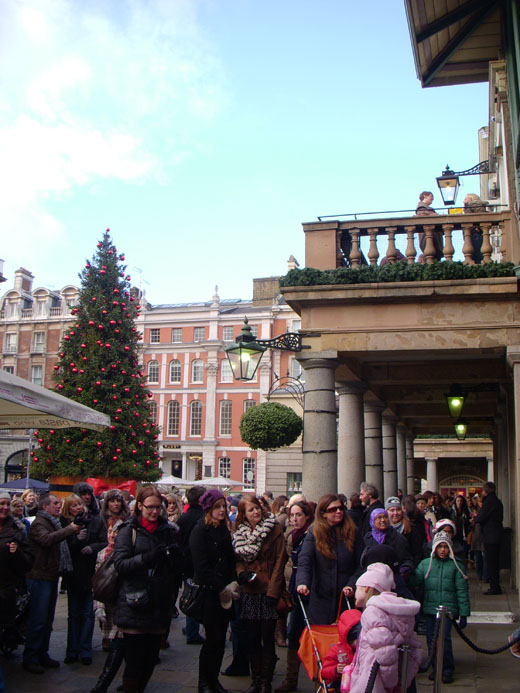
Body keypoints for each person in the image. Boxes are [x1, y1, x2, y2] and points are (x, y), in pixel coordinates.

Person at [112, 485, 182, 692]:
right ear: (140, 506)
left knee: (151, 659)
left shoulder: (168, 530)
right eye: (150, 507)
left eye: (158, 507)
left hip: (158, 602)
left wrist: (176, 558)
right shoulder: (128, 530)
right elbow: (120, 564)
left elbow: (176, 567)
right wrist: (147, 558)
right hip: (135, 600)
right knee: (135, 660)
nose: (154, 511)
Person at [233, 493, 287, 693]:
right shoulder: (239, 532)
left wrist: (273, 591)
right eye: (250, 510)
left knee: (266, 636)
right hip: (249, 590)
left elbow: (281, 560)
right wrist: (241, 574)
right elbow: (237, 558)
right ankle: (255, 679)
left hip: (268, 590)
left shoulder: (274, 529)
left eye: (257, 507)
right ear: (243, 514)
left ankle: (266, 681)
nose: (255, 512)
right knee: (252, 637)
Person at [22, 493, 82, 674]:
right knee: (38, 620)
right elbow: (47, 540)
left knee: (47, 620)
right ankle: (31, 657)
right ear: (45, 507)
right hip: (39, 577)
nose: (59, 506)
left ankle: (42, 653)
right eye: (56, 503)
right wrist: (70, 529)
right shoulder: (40, 524)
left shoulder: (53, 522)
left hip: (50, 576)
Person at [190, 489, 238, 693]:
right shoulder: (200, 530)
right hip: (210, 592)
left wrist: (234, 580)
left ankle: (213, 679)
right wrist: (220, 587)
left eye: (223, 506)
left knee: (219, 641)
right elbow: (201, 566)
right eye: (217, 507)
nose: (222, 510)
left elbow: (229, 558)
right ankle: (204, 682)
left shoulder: (223, 529)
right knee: (212, 639)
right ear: (208, 508)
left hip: (225, 592)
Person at [349, 562, 423, 693]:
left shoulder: (373, 612)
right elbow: (415, 650)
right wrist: (402, 681)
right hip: (388, 682)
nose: (355, 593)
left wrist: (390, 683)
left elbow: (385, 653)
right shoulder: (399, 612)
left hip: (373, 683)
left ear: (367, 588)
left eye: (358, 588)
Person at [296, 494, 363, 625]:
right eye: (332, 510)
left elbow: (361, 564)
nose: (338, 512)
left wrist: (352, 584)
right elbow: (305, 561)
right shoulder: (314, 533)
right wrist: (302, 582)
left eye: (340, 508)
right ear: (323, 514)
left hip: (346, 598)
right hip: (321, 598)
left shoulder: (353, 532)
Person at [413, 531, 470, 684]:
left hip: (447, 611)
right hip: (430, 610)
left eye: (445, 547)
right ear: (434, 548)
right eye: (440, 547)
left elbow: (462, 591)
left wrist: (464, 613)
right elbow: (416, 580)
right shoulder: (425, 564)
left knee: (444, 639)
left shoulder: (456, 566)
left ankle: (447, 668)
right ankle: (435, 666)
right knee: (431, 639)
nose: (443, 550)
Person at [60, 493, 107, 665]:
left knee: (87, 613)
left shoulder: (94, 520)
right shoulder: (64, 524)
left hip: (89, 572)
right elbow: (63, 548)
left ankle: (85, 649)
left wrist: (91, 547)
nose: (79, 507)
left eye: (80, 504)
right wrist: (75, 539)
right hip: (73, 574)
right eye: (74, 505)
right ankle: (72, 650)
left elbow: (103, 541)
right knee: (74, 614)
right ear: (68, 509)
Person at [275, 500, 314, 693]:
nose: (294, 519)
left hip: (311, 591)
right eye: (292, 515)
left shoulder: (312, 535)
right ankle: (291, 679)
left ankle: (321, 678)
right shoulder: (292, 535)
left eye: (298, 515)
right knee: (293, 633)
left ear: (307, 516)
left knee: (314, 634)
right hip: (295, 589)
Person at [91, 518, 125, 693]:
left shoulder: (125, 552)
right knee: (117, 645)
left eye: (116, 532)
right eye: (110, 531)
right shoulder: (102, 553)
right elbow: (97, 583)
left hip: (124, 605)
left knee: (121, 643)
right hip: (108, 604)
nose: (112, 535)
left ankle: (104, 683)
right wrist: (98, 607)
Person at [177, 485, 206, 646]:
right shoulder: (204, 518)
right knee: (200, 597)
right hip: (199, 564)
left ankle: (191, 628)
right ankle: (193, 631)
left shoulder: (184, 518)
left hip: (187, 563)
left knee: (190, 596)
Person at [0, 492, 33, 635]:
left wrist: (17, 552)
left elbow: (27, 561)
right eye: (2, 504)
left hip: (6, 589)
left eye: (7, 504)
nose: (5, 507)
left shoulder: (16, 529)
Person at [362, 508, 414, 579]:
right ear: (372, 521)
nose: (383, 520)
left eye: (385, 517)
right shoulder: (367, 539)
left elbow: (407, 559)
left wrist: (405, 569)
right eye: (379, 518)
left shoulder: (398, 538)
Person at [474, 481, 503, 594]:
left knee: (491, 562)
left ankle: (494, 586)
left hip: (490, 536)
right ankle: (495, 585)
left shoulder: (489, 502)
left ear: (485, 491)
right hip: (496, 534)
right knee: (494, 562)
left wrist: (476, 518)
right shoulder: (497, 502)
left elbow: (482, 517)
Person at [321, 610, 362, 691]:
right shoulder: (337, 650)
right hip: (342, 684)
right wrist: (335, 669)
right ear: (350, 639)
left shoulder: (365, 648)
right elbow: (324, 671)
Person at [386, 496, 425, 567]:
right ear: (386, 512)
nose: (395, 513)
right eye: (392, 510)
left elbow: (417, 552)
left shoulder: (411, 528)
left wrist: (410, 567)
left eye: (398, 509)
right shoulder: (383, 529)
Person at [451, 494, 471, 559]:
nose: (459, 503)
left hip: (464, 534)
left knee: (464, 551)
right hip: (455, 534)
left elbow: (468, 522)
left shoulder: (466, 511)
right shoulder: (452, 511)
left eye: (461, 501)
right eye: (458, 501)